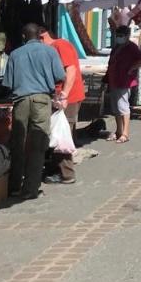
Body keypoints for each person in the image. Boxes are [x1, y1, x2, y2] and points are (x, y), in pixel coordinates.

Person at [4, 23, 66, 201]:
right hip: (41, 99)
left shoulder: (15, 54)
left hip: (21, 100)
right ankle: (31, 188)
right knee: (38, 144)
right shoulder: (50, 51)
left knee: (18, 143)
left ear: (24, 37)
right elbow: (60, 75)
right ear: (39, 35)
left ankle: (14, 186)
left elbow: (8, 83)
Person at [37, 26, 83, 185]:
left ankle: (66, 174)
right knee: (58, 133)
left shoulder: (60, 45)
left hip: (67, 97)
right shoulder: (56, 47)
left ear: (42, 36)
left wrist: (64, 95)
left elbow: (71, 70)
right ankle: (55, 168)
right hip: (62, 96)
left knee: (63, 135)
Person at [106, 25, 141, 143]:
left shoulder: (131, 47)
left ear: (127, 36)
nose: (119, 37)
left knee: (123, 106)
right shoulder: (117, 47)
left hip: (124, 80)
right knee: (116, 108)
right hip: (113, 79)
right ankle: (118, 131)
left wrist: (131, 69)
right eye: (117, 35)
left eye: (121, 35)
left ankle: (125, 133)